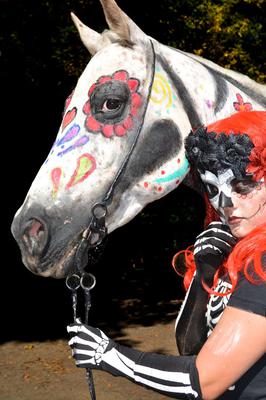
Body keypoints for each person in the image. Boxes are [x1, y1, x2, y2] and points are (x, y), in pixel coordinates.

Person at [67, 110, 266, 400]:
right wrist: (205, 271)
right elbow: (189, 345)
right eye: (212, 188)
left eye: (242, 186)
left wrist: (109, 355)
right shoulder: (236, 248)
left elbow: (202, 382)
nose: (227, 203)